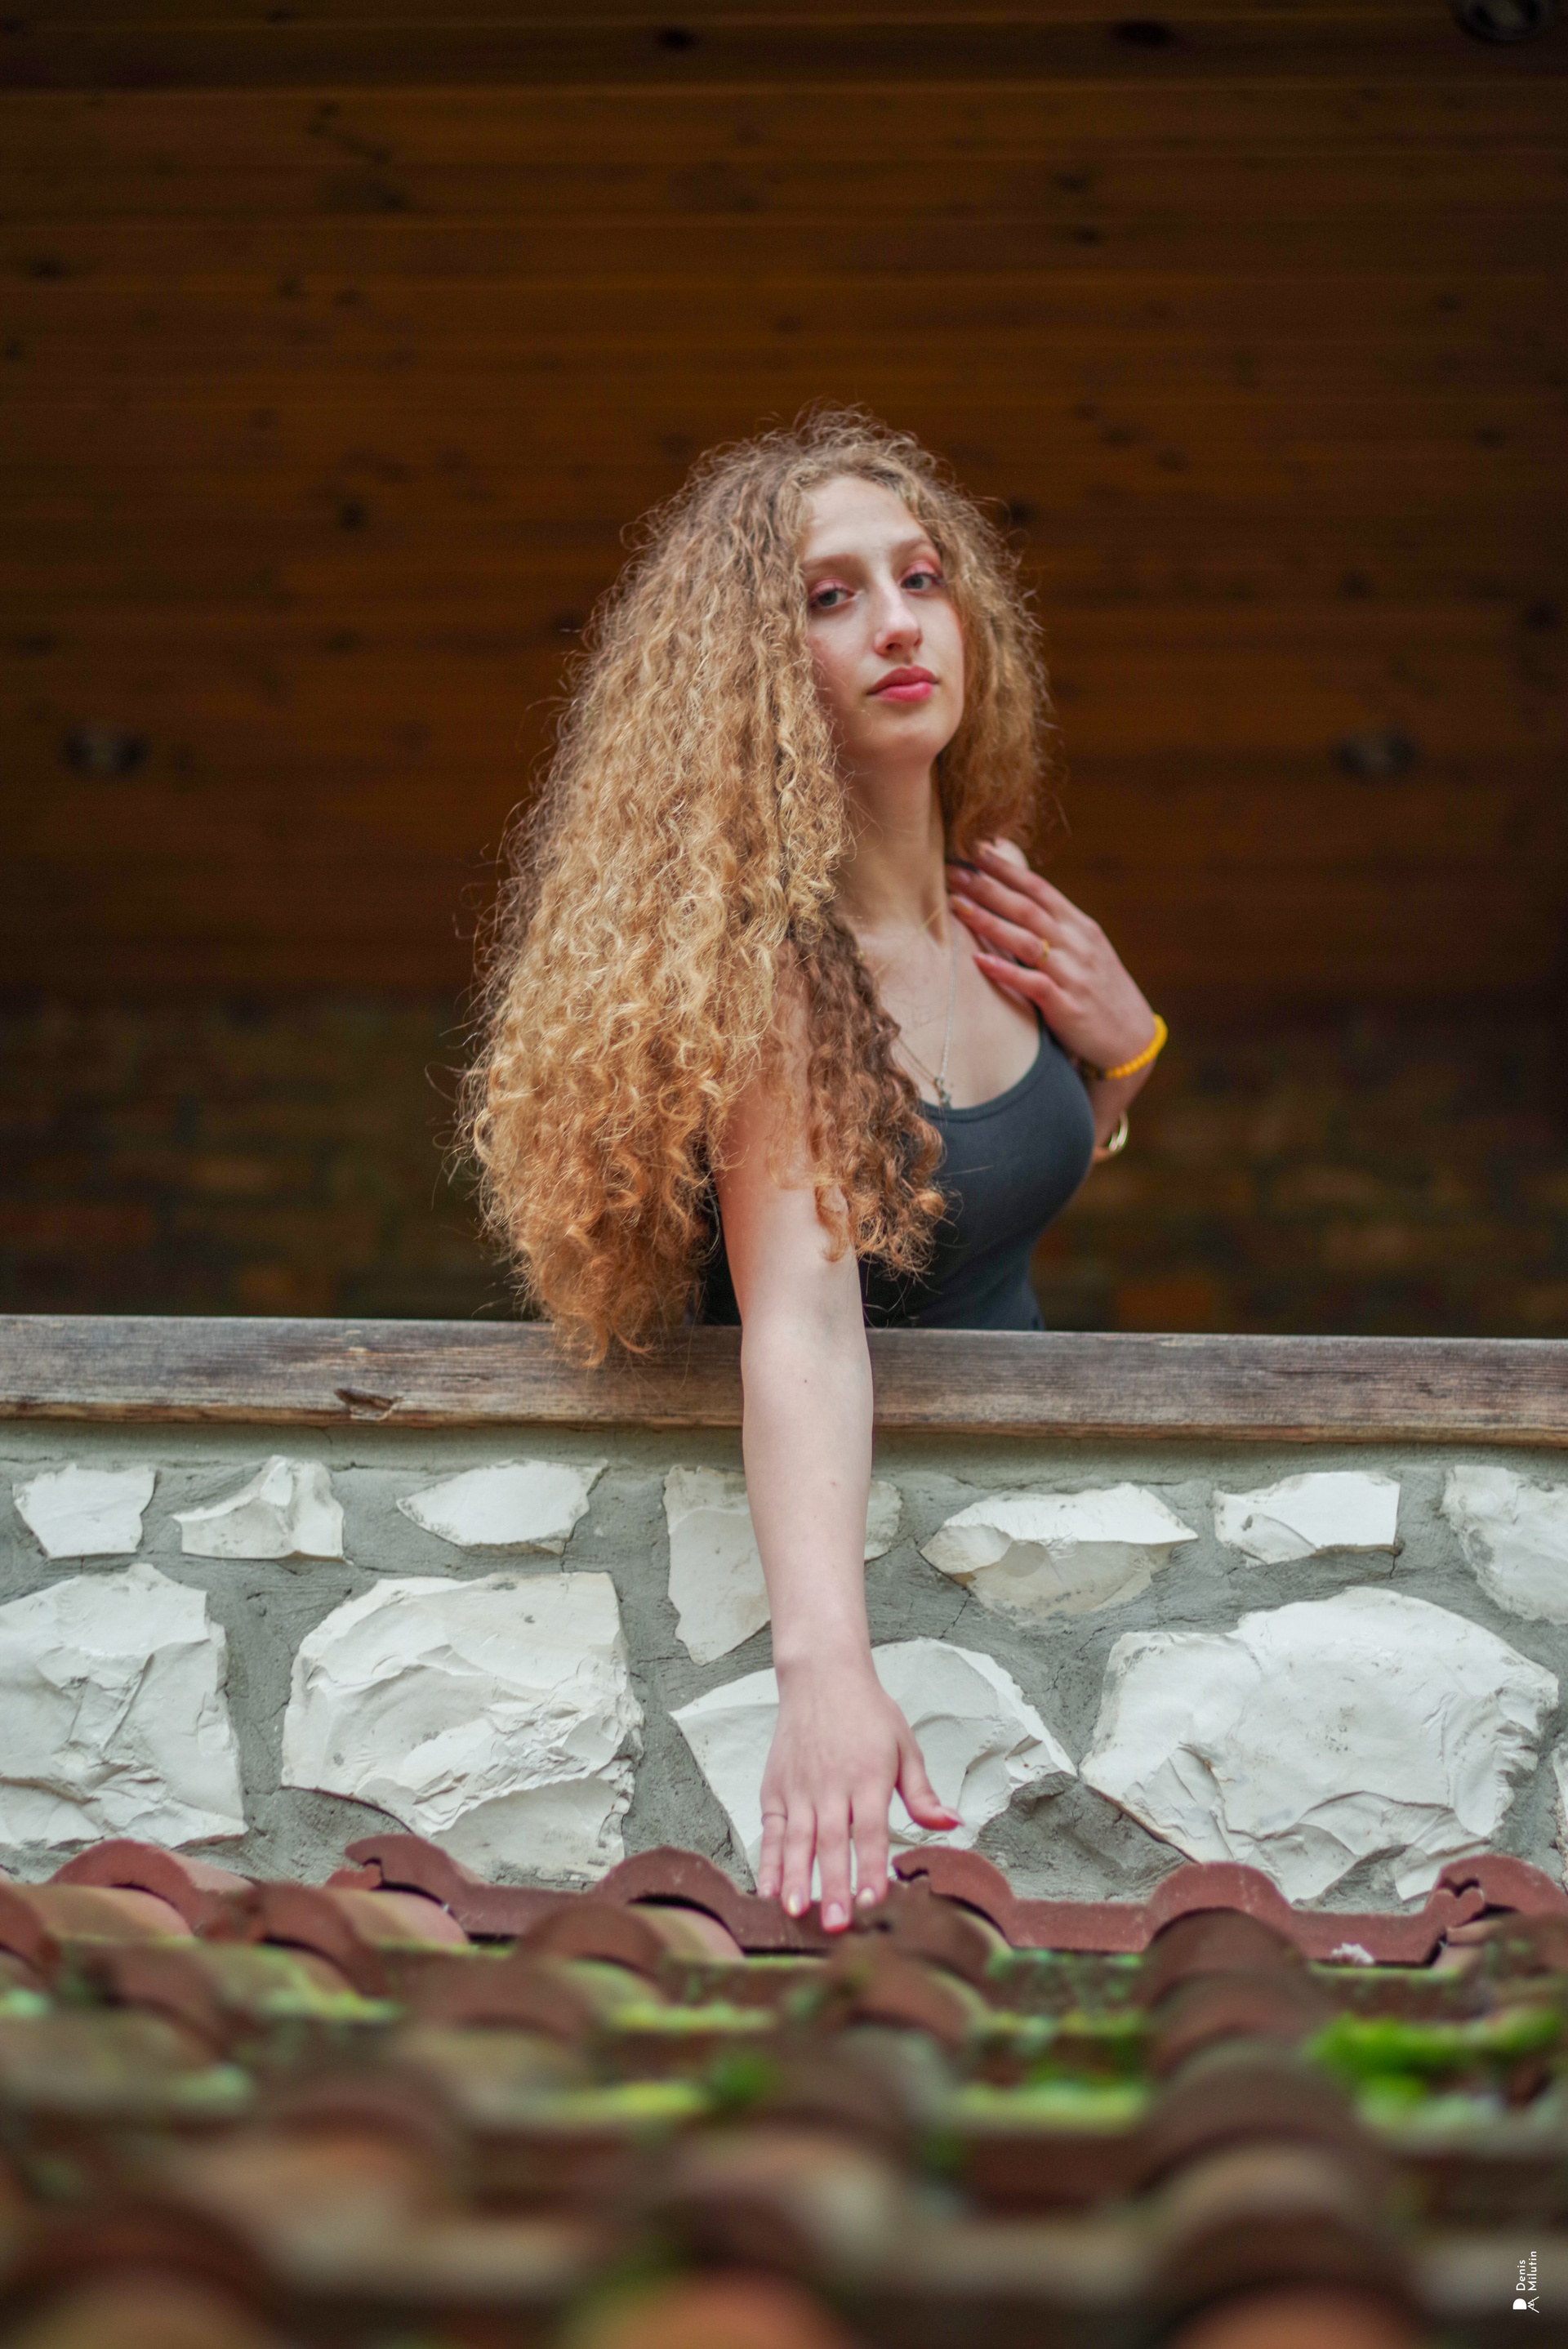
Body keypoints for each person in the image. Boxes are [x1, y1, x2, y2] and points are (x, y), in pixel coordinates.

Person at [465, 411, 1165, 1935]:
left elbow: (978, 1200)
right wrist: (827, 1672)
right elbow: (805, 1322)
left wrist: (1125, 1061)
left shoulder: (996, 906)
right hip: (864, 1567)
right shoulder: (782, 977)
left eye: (921, 578)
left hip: (1026, 1543)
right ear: (750, 674)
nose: (898, 623)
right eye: (831, 597)